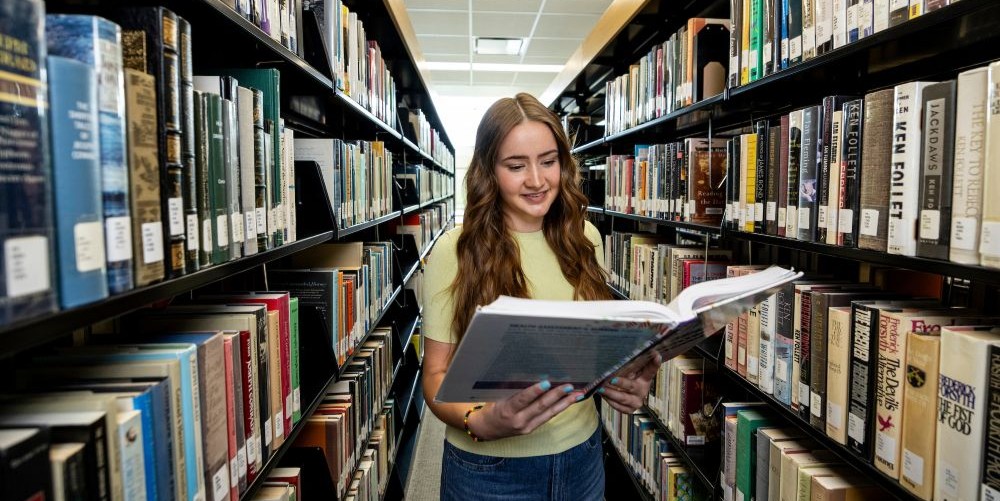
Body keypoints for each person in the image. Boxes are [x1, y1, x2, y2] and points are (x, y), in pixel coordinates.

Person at [421, 93, 662, 500]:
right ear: (488, 172)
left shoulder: (585, 239)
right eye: (516, 166)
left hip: (581, 454)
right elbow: (434, 377)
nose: (536, 180)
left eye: (548, 161)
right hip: (489, 470)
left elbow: (587, 352)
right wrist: (479, 423)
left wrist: (626, 383)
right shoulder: (453, 251)